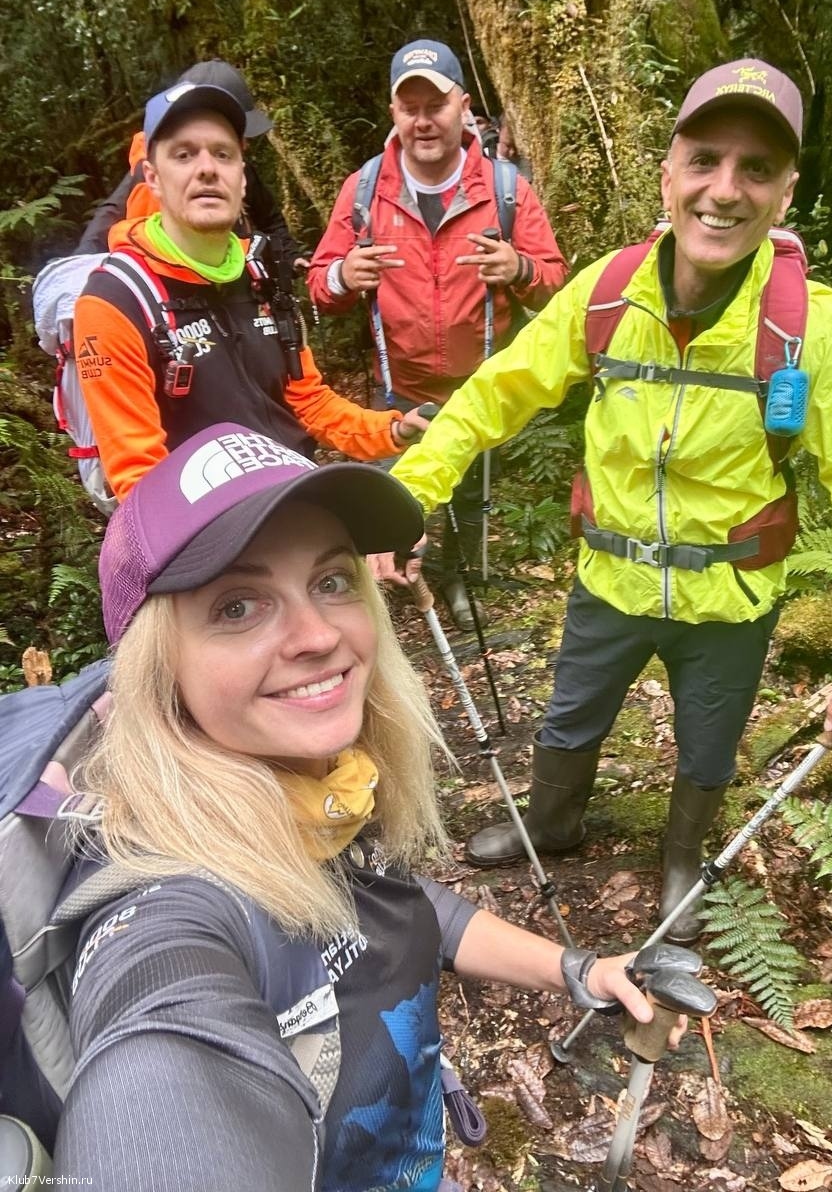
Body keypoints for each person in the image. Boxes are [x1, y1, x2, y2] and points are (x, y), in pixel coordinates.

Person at [384, 58, 832, 942]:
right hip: (609, 582)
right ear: (668, 174)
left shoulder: (810, 326)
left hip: (730, 599)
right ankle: (553, 821)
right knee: (572, 713)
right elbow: (495, 394)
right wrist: (407, 496)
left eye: (755, 169)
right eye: (705, 161)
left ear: (785, 193)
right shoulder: (609, 292)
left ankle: (683, 857)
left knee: (709, 742)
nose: (724, 190)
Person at [51, 421, 676, 1190]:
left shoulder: (320, 785)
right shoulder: (165, 910)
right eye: (238, 606)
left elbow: (393, 900)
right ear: (157, 666)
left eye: (332, 580)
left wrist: (576, 969)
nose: (318, 635)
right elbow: (160, 1059)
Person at [308, 39, 568, 627]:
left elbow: (555, 285)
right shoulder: (365, 191)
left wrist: (518, 269)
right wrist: (345, 275)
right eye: (410, 108)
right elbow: (321, 286)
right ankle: (386, 591)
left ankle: (460, 580)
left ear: (464, 107)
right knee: (392, 495)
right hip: (397, 388)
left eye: (436, 105)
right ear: (393, 113)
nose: (423, 121)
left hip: (480, 385)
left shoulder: (504, 190)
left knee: (470, 495)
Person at [73, 79, 430, 501]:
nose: (207, 168)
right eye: (184, 154)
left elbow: (308, 401)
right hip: (206, 525)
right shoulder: (115, 302)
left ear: (242, 177)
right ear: (152, 177)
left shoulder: (263, 276)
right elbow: (140, 480)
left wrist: (392, 429)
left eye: (223, 154)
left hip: (296, 497)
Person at [76, 58, 306, 272]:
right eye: (185, 154)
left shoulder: (240, 171)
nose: (208, 168)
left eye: (223, 148)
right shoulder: (152, 173)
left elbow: (270, 219)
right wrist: (80, 267)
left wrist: (290, 256)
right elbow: (108, 217)